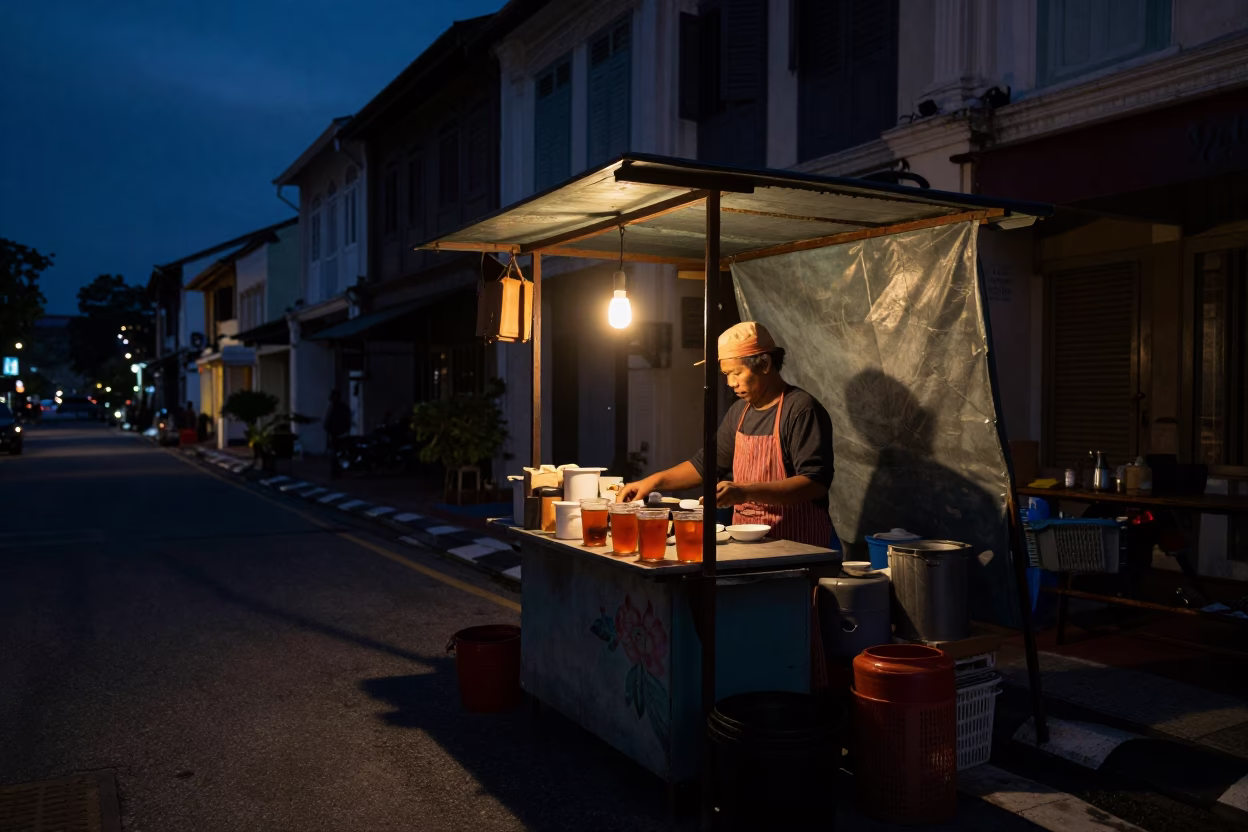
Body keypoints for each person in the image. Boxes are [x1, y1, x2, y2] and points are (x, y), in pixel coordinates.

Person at [619, 321, 838, 548]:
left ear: (764, 363)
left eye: (737, 373)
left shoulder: (801, 410)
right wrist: (653, 482)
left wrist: (745, 492)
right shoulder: (739, 412)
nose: (731, 383)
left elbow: (815, 483)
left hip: (797, 546)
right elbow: (706, 465)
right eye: (726, 374)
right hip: (748, 549)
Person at [324, 389, 352, 478]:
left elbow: (346, 421)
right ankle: (336, 471)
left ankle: (337, 471)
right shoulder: (333, 407)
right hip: (334, 433)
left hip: (339, 434)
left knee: (338, 454)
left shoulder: (340, 408)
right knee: (335, 454)